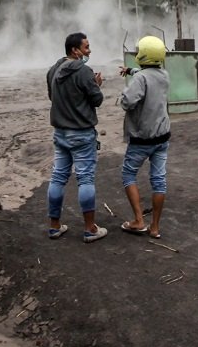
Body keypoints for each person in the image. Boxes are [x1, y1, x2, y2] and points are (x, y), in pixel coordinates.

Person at [46, 31, 108, 243]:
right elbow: (97, 100)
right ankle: (90, 228)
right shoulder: (84, 71)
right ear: (75, 50)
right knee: (85, 179)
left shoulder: (52, 70)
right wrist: (97, 85)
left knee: (58, 177)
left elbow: (51, 97)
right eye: (86, 47)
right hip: (81, 134)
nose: (89, 51)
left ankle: (54, 226)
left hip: (60, 133)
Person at [117, 35, 171, 239]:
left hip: (142, 138)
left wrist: (126, 87)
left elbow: (127, 102)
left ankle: (139, 221)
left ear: (143, 54)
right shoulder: (164, 75)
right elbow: (146, 75)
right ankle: (155, 227)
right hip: (162, 136)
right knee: (159, 180)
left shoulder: (140, 79)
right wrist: (130, 71)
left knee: (128, 175)